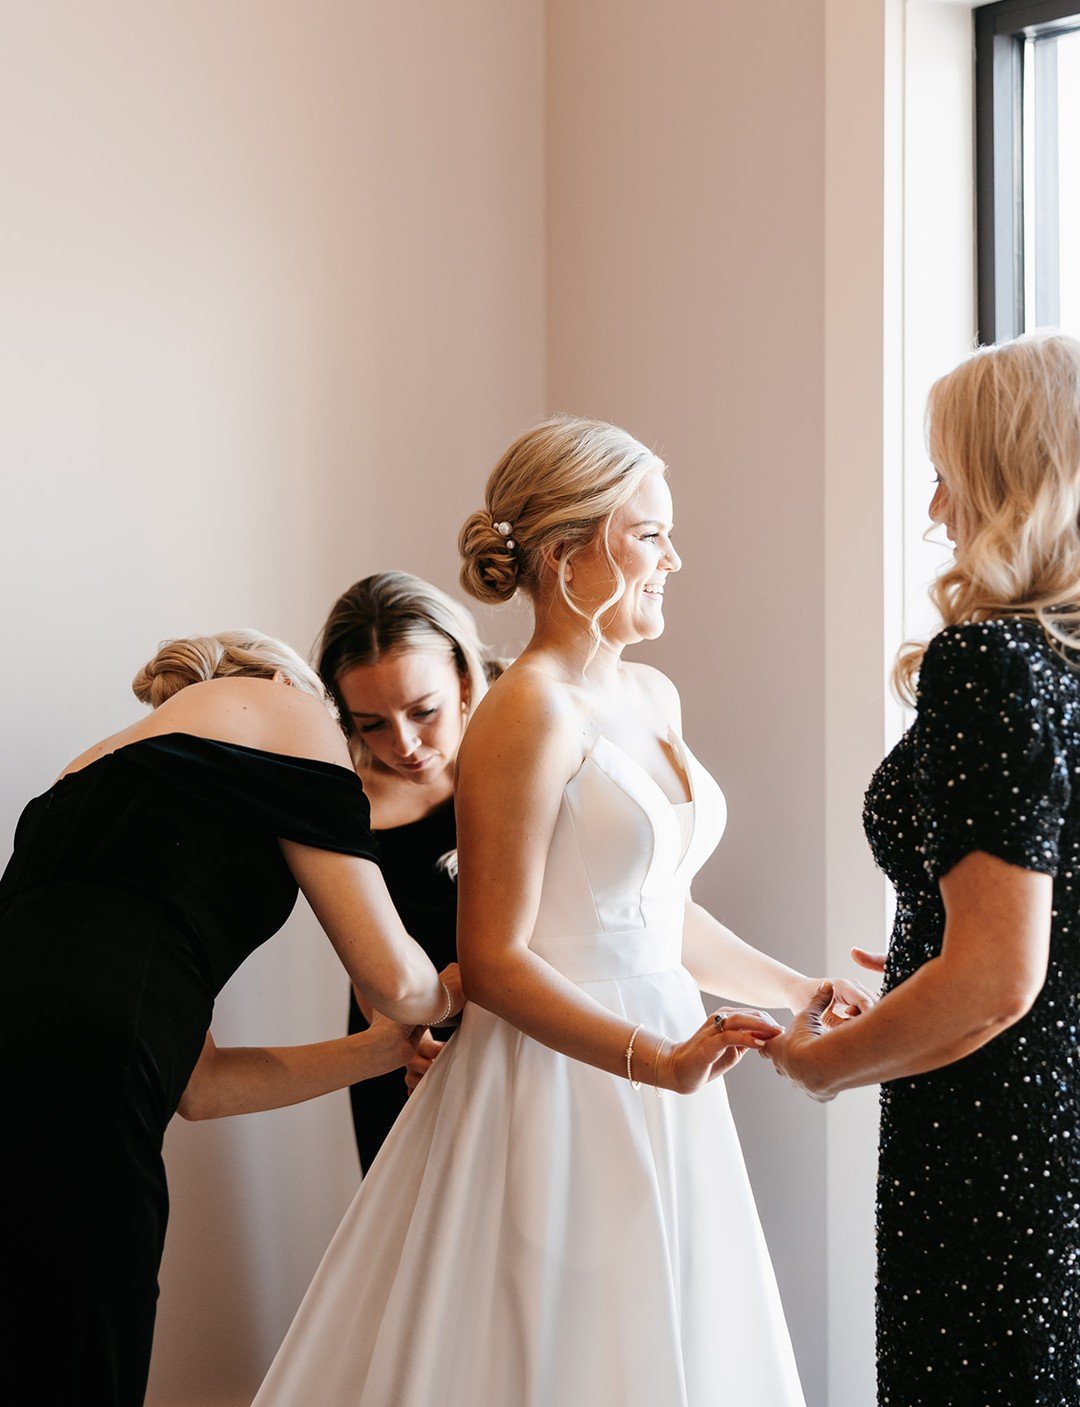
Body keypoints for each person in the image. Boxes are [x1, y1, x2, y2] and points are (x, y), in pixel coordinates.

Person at [253, 416, 873, 1407]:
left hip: (673, 1050)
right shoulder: (525, 710)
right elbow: (492, 958)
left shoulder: (652, 696)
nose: (676, 557)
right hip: (560, 1077)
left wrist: (801, 992)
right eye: (651, 534)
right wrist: (653, 1061)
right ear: (568, 552)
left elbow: (657, 914)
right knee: (560, 1344)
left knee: (669, 1331)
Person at [0, 629, 463, 1407]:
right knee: (81, 1352)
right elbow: (395, 976)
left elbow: (202, 1085)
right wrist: (460, 987)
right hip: (90, 1072)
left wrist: (384, 1051)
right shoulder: (288, 708)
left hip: (50, 1055)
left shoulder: (83, 778)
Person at [765, 332, 1080, 1406]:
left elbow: (997, 980)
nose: (935, 508)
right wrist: (929, 950)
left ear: (1008, 479)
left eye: (947, 472)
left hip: (1003, 1135)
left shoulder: (993, 663)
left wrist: (830, 1063)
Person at [314, 571, 498, 1172]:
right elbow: (362, 951)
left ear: (465, 677)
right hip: (400, 1046)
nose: (405, 744)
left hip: (522, 1024)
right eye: (371, 723)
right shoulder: (341, 800)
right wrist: (400, 1040)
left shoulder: (518, 757)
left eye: (424, 711)